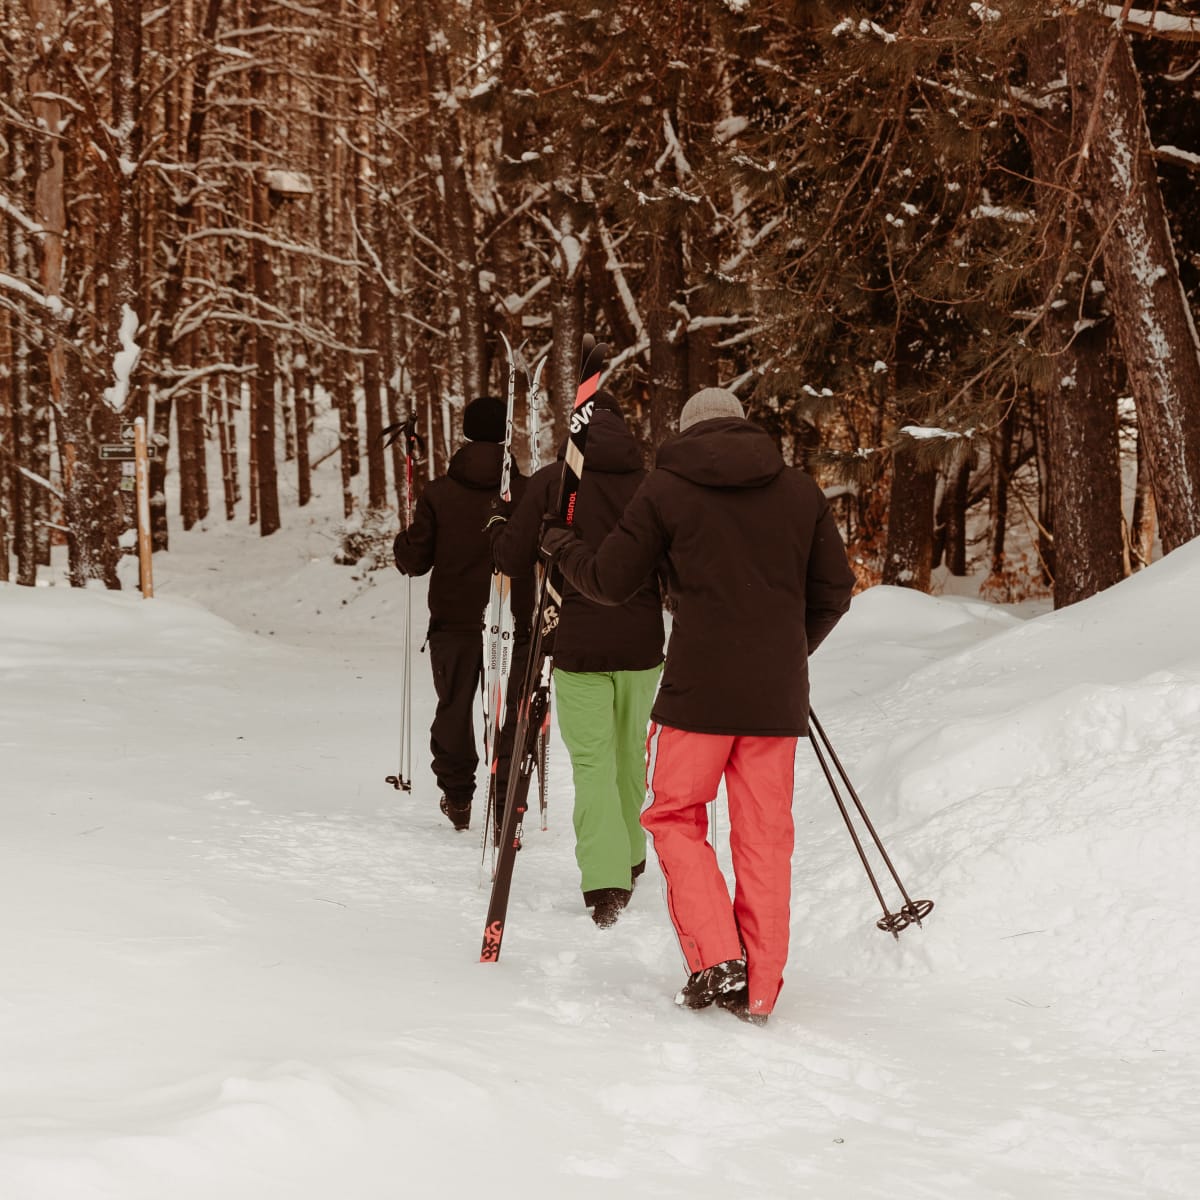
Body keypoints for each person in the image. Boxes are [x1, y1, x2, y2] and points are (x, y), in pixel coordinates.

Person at [540, 386, 855, 1024]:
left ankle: (716, 957)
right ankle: (760, 988)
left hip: (697, 695)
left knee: (674, 816)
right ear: (745, 425)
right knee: (766, 837)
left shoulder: (667, 489)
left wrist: (558, 545)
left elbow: (607, 581)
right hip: (775, 698)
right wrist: (786, 650)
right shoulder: (799, 491)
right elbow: (835, 591)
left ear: (687, 432)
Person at [488, 392, 665, 928]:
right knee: (631, 755)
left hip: (579, 642)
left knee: (593, 763)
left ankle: (606, 881)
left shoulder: (554, 482)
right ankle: (631, 856)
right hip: (642, 643)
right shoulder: (653, 485)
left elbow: (510, 558)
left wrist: (501, 523)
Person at [393, 396, 532, 832]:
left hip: (454, 620)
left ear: (466, 435)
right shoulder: (526, 492)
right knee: (512, 707)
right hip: (513, 618)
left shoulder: (438, 492)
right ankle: (508, 790)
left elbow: (415, 561)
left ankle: (458, 796)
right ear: (506, 435)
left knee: (454, 707)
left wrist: (404, 543)